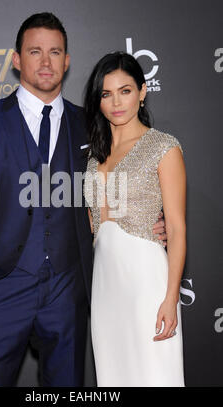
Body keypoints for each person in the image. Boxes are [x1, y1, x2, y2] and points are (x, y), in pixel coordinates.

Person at [0, 13, 166, 387]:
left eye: (55, 52)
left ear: (67, 61)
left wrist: (148, 223)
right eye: (35, 52)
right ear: (17, 60)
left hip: (67, 293)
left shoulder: (90, 124)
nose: (46, 62)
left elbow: (116, 185)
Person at [83, 52, 186, 387]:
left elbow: (176, 228)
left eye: (125, 91)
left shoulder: (163, 147)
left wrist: (170, 298)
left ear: (142, 92)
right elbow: (92, 225)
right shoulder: (93, 156)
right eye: (107, 93)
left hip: (147, 282)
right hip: (105, 285)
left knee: (155, 375)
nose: (116, 102)